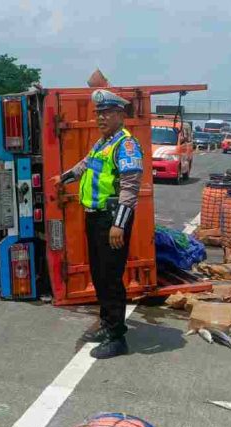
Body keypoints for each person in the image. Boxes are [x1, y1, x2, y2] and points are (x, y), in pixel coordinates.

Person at [57, 89, 142, 359]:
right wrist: (65, 177)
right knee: (99, 276)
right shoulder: (104, 142)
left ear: (120, 115)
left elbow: (130, 188)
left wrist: (119, 225)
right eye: (98, 114)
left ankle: (117, 338)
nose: (100, 118)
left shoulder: (126, 145)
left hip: (112, 220)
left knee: (110, 278)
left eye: (106, 114)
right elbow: (86, 164)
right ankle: (108, 325)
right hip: (95, 217)